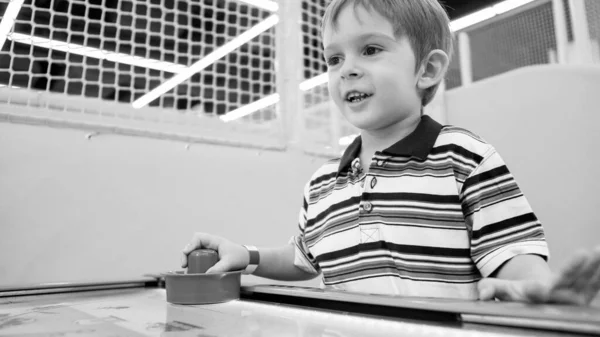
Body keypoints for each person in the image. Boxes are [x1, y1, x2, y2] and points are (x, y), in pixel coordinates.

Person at [182, 0, 600, 304]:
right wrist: (249, 256)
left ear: (428, 69)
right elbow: (304, 258)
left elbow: (512, 250)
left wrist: (535, 288)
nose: (347, 68)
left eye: (370, 49)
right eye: (333, 58)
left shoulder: (465, 157)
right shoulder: (323, 182)